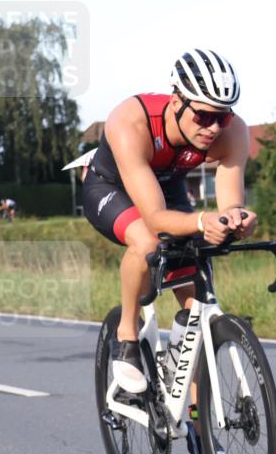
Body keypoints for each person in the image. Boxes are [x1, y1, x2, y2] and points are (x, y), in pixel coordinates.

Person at [82, 49, 257, 394]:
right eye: (205, 116)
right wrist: (203, 220)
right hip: (110, 186)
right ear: (177, 101)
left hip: (167, 185)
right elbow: (158, 220)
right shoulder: (132, 120)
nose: (213, 128)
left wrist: (237, 217)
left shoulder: (232, 131)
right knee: (148, 241)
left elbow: (229, 200)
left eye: (223, 117)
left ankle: (195, 428)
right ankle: (127, 336)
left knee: (197, 309)